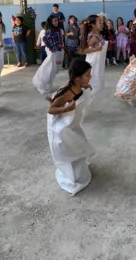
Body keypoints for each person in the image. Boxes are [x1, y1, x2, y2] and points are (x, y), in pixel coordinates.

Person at [47, 59, 95, 195]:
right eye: (87, 75)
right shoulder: (67, 92)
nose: (90, 77)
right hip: (61, 129)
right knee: (68, 150)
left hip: (72, 125)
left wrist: (85, 86)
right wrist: (67, 109)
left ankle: (77, 169)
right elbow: (50, 110)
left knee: (78, 144)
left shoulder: (78, 85)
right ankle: (71, 175)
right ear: (77, 78)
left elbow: (80, 90)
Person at [115, 6, 136, 106]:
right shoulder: (135, 25)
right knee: (133, 74)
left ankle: (126, 93)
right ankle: (124, 93)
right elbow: (132, 40)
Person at [33, 15, 65, 95]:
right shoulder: (50, 30)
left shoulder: (59, 30)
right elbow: (45, 39)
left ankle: (48, 84)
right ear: (51, 22)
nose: (56, 22)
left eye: (57, 20)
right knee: (49, 68)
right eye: (55, 21)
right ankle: (42, 84)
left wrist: (61, 46)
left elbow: (60, 40)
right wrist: (52, 48)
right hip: (53, 52)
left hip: (59, 51)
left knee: (55, 69)